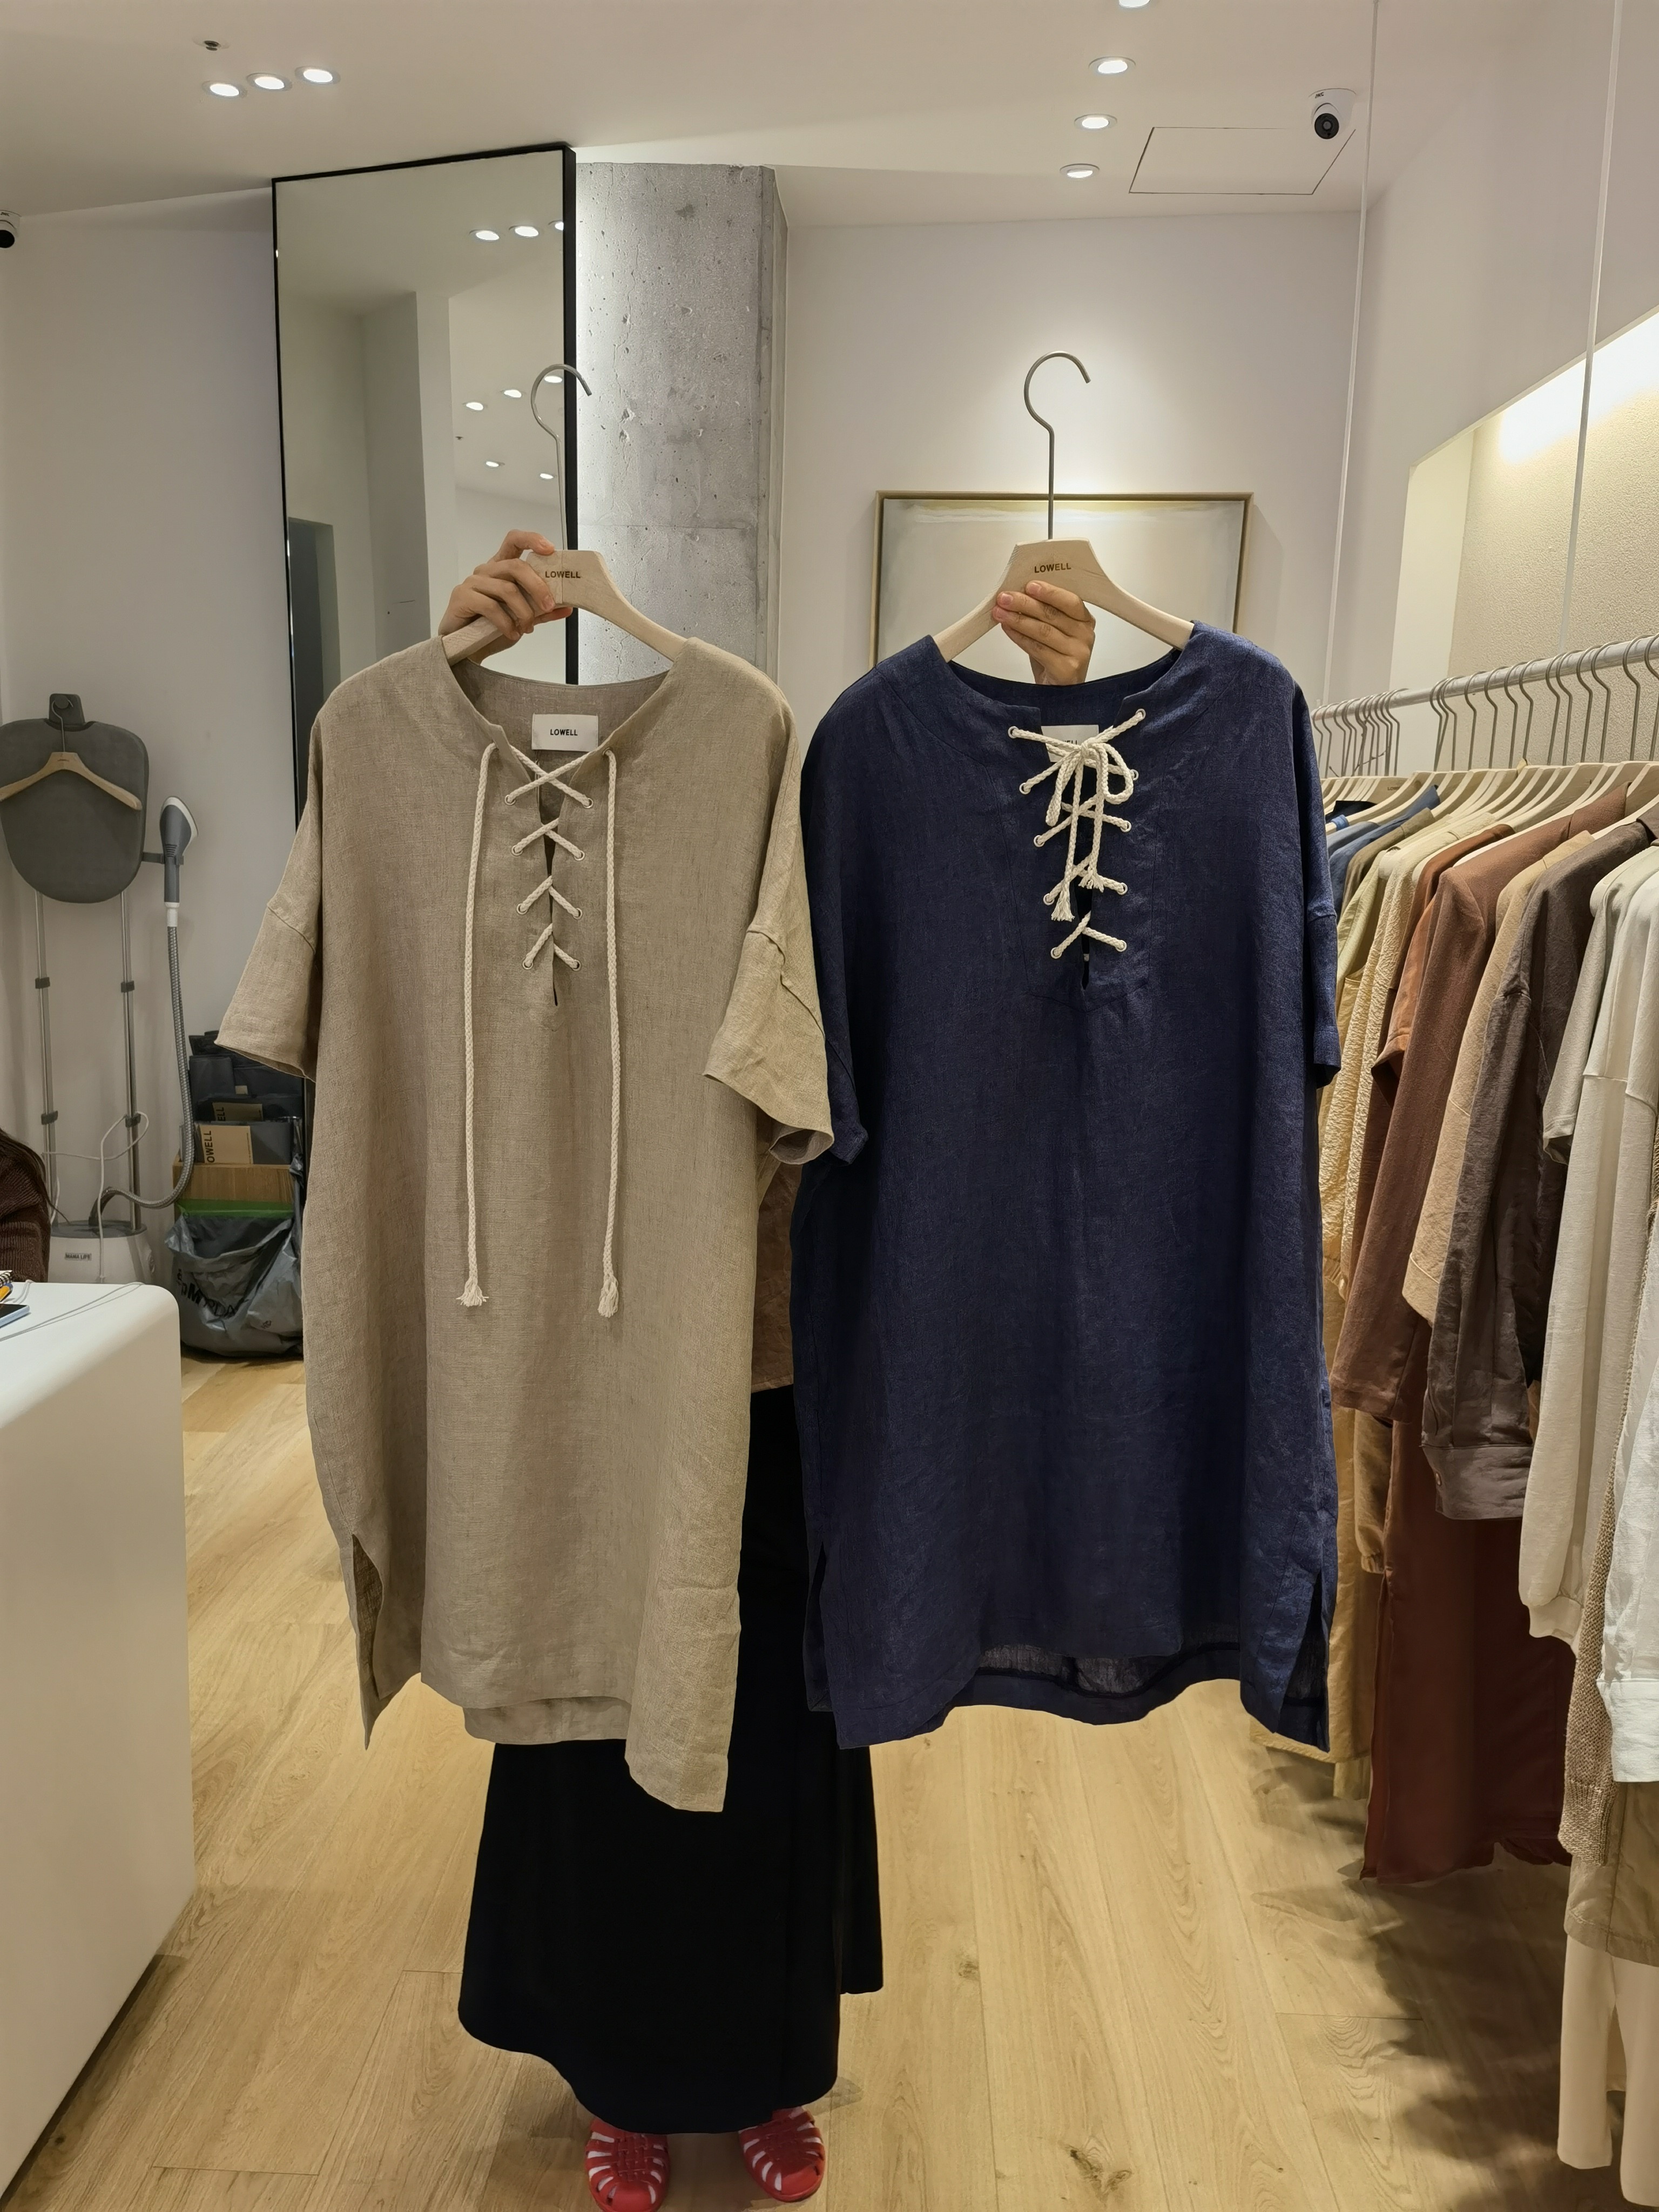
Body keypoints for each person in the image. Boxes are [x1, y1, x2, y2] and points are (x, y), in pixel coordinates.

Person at [437, 534, 1096, 2210]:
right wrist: (451, 676)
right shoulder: (495, 801)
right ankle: (615, 2065)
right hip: (572, 1349)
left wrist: (1062, 719)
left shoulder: (792, 778)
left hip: (771, 1349)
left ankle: (766, 2056)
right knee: (590, 1700)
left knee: (773, 1716)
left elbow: (981, 964)